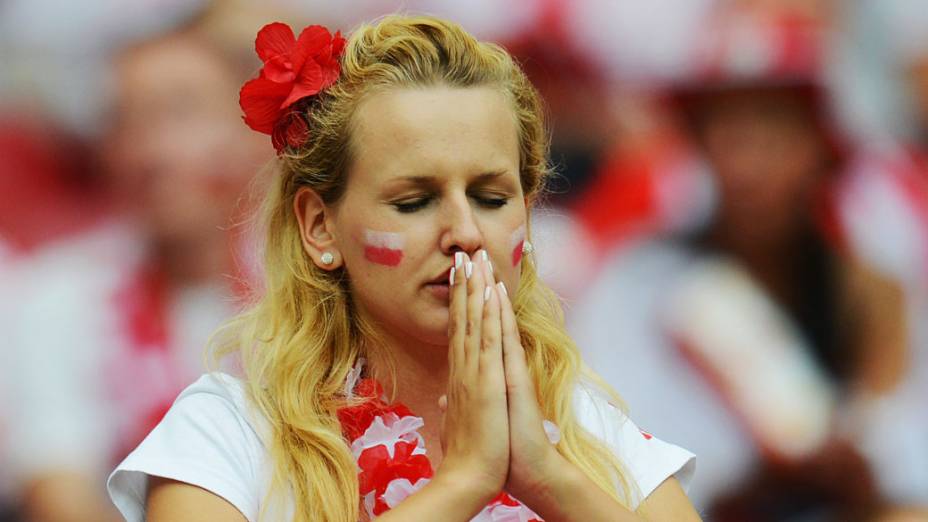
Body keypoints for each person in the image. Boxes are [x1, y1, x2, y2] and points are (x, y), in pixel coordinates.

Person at [106, 15, 698, 522]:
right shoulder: (227, 434)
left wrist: (548, 480)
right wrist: (462, 483)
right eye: (413, 201)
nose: (465, 233)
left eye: (492, 198)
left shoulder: (592, 431)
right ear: (319, 227)